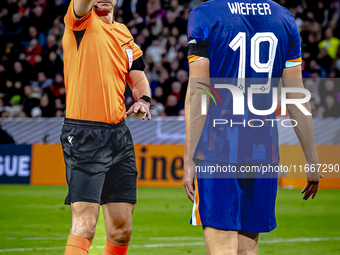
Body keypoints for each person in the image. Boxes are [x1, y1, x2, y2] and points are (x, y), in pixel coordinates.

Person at [183, 0, 323, 254]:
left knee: (223, 247)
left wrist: (188, 159)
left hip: (219, 148)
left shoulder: (204, 15)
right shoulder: (284, 18)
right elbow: (296, 97)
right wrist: (312, 161)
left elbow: (198, 92)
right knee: (247, 249)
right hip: (263, 150)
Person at [61, 1, 151, 254]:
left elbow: (138, 77)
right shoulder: (80, 21)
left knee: (121, 230)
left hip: (119, 135)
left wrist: (143, 100)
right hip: (83, 133)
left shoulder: (124, 33)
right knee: (86, 224)